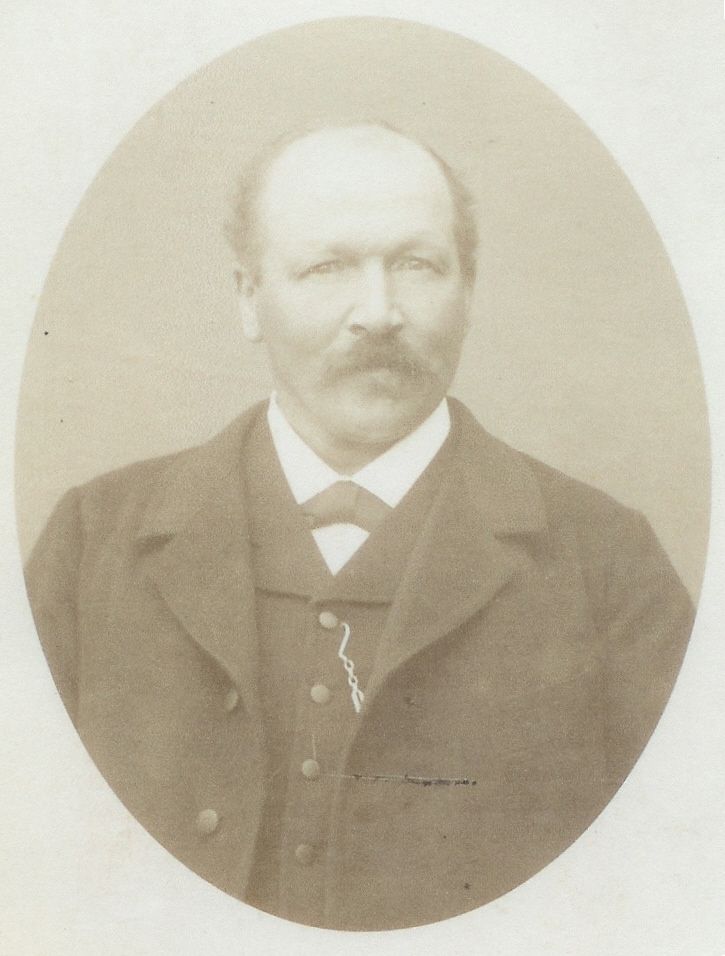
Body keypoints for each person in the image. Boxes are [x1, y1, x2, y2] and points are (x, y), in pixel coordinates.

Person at [25, 122, 694, 931]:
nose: (378, 314)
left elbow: (672, 884)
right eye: (327, 267)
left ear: (468, 291)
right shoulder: (92, 545)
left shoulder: (608, 565)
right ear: (248, 298)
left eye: (416, 265)